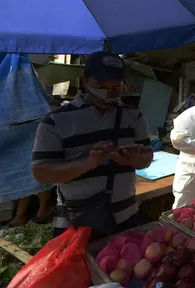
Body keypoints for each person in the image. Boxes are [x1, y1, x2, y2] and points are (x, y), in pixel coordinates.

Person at [31, 51, 153, 238]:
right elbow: (42, 173)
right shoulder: (56, 120)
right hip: (77, 221)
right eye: (101, 85)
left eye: (115, 86)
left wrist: (134, 160)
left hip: (125, 218)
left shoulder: (133, 116)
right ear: (84, 81)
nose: (108, 92)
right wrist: (88, 162)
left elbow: (146, 159)